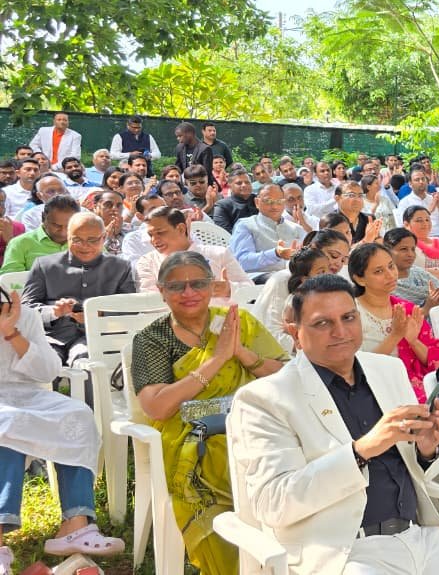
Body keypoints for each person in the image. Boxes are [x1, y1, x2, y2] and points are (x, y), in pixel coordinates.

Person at [226, 274, 439, 574]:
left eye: (349, 318)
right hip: (343, 552)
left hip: (421, 538)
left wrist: (425, 451)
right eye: (322, 323)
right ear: (296, 334)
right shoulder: (267, 398)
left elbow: (417, 470)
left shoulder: (388, 370)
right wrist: (360, 451)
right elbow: (274, 503)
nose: (340, 331)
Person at [130, 252, 289, 574]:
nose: (188, 293)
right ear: (161, 291)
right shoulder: (152, 339)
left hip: (252, 422)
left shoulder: (239, 324)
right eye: (177, 286)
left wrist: (240, 352)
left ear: (213, 286)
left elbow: (287, 376)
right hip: (192, 437)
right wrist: (216, 360)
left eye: (198, 284)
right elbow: (157, 406)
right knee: (234, 459)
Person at [0, 288, 125, 574]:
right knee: (7, 426)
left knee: (77, 415)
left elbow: (47, 371)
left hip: (28, 396)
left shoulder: (25, 316)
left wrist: (11, 333)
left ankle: (76, 525)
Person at [23, 212, 136, 363]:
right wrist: (54, 312)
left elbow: (129, 309)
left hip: (97, 338)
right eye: (77, 240)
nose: (84, 246)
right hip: (52, 337)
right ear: (68, 237)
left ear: (104, 238)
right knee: (43, 361)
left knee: (85, 360)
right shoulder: (44, 265)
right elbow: (25, 309)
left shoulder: (120, 267)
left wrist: (95, 317)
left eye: (92, 240)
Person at [349, 243, 439, 403]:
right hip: (372, 395)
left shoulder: (407, 310)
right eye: (379, 271)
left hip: (414, 390)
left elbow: (437, 362)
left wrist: (413, 341)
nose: (390, 275)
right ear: (360, 279)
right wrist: (395, 336)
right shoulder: (350, 315)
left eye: (390, 266)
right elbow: (355, 369)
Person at [253, 230, 349, 351]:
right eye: (334, 255)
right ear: (314, 249)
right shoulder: (282, 280)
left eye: (343, 260)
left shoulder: (337, 284)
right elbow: (271, 334)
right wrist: (313, 348)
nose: (338, 263)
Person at [136, 207, 254, 294]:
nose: (154, 240)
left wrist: (229, 289)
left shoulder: (218, 254)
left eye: (160, 233)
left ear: (181, 229)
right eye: (150, 235)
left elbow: (251, 289)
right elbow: (148, 300)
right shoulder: (147, 262)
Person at [230, 184, 306, 280]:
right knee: (285, 278)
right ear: (257, 202)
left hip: (293, 276)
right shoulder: (245, 226)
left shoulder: (296, 228)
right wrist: (276, 254)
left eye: (279, 201)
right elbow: (242, 261)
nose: (274, 206)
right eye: (268, 201)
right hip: (259, 278)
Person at [0, 195, 78, 273]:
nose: (63, 232)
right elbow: (10, 278)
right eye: (56, 225)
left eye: (69, 226)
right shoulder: (20, 244)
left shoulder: (83, 241)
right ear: (43, 217)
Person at [384, 228, 439, 308]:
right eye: (403, 249)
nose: (410, 254)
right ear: (387, 251)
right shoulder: (387, 285)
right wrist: (427, 306)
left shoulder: (418, 272)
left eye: (413, 249)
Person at [401, 205, 439, 275]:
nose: (425, 223)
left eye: (427, 220)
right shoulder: (404, 245)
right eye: (419, 220)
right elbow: (407, 270)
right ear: (406, 224)